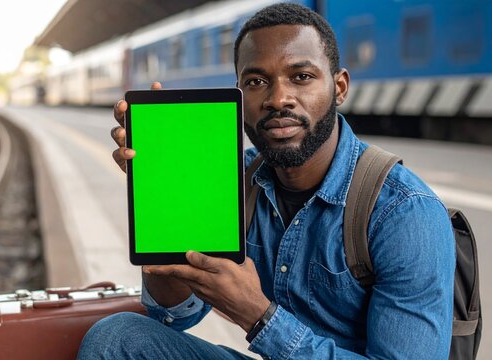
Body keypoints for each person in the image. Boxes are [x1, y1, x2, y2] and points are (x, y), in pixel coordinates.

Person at [78, 3, 455, 359]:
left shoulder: (404, 212)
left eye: (301, 77)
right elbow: (175, 314)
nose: (278, 98)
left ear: (339, 87)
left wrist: (259, 316)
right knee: (117, 337)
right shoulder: (233, 181)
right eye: (257, 81)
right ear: (239, 95)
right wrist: (166, 196)